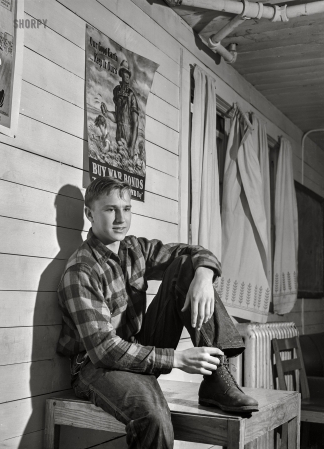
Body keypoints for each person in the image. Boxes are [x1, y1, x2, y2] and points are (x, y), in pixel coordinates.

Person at [57, 177, 258, 449]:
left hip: (138, 346)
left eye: (126, 209)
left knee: (186, 265)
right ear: (89, 213)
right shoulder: (81, 270)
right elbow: (104, 350)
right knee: (154, 417)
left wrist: (203, 275)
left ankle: (216, 376)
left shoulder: (134, 248)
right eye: (110, 209)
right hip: (95, 366)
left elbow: (193, 251)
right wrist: (177, 359)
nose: (120, 218)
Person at [100, 59, 139, 158]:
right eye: (125, 73)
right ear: (121, 73)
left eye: (128, 74)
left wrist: (132, 146)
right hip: (119, 138)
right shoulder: (117, 92)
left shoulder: (131, 95)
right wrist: (106, 113)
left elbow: (135, 123)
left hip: (129, 141)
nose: (127, 76)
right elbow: (117, 118)